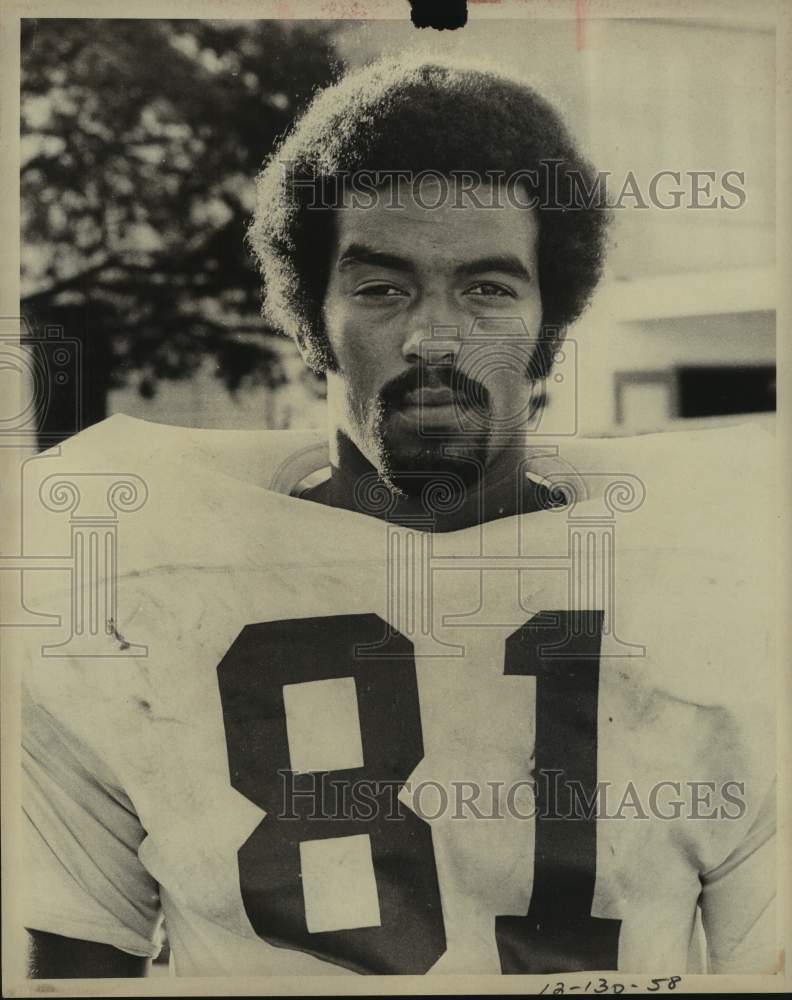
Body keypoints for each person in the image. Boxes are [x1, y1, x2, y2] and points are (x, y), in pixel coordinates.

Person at [21, 58, 775, 979]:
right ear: (309, 313)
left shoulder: (721, 581)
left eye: (489, 288)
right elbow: (66, 964)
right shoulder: (132, 575)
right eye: (382, 288)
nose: (434, 337)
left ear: (551, 317)